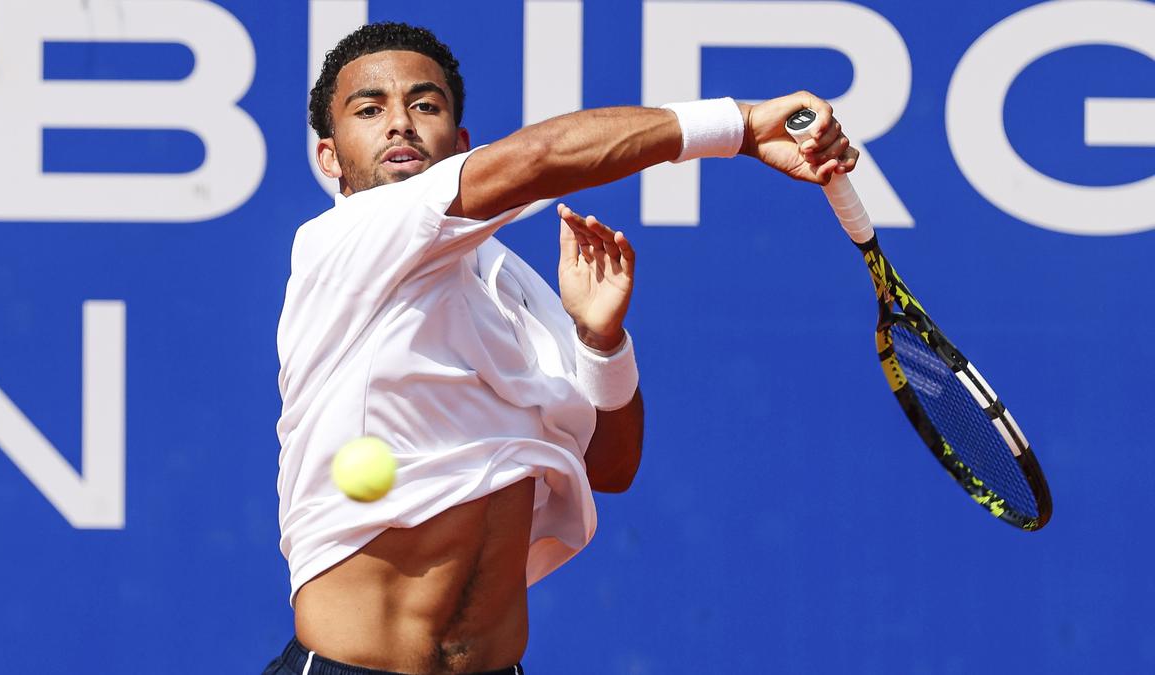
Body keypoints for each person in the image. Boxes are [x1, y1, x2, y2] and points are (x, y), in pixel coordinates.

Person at [265, 21, 857, 675]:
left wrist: (601, 342)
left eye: (424, 105)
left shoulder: (514, 291)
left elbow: (610, 467)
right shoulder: (339, 242)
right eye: (370, 109)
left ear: (459, 144)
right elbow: (539, 158)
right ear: (329, 157)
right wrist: (737, 126)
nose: (400, 123)